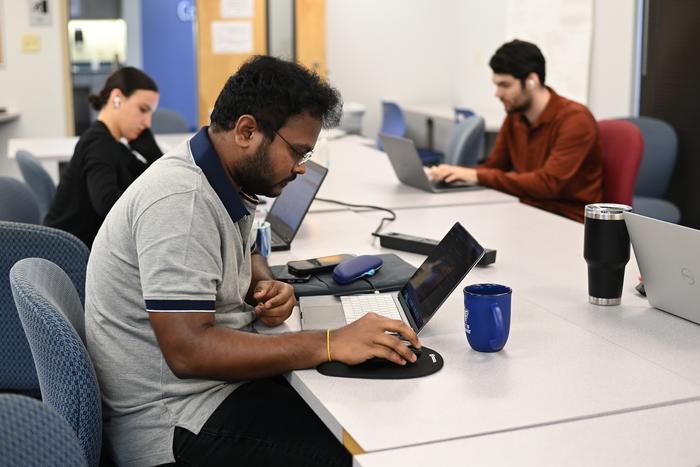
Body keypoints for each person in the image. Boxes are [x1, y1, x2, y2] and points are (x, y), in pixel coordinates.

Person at [85, 56, 421, 467]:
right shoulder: (182, 200)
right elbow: (189, 350)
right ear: (246, 131)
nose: (300, 168)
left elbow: (245, 250)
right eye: (297, 152)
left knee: (358, 409)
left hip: (205, 396)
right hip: (174, 423)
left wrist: (261, 281)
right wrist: (331, 342)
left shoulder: (220, 173)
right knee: (360, 451)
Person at [429, 39, 603, 222]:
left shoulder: (575, 120)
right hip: (527, 209)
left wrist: (475, 175)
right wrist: (455, 174)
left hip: (566, 220)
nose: (497, 94)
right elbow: (494, 167)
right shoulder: (515, 116)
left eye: (505, 85)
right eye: (496, 85)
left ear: (531, 81)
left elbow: (548, 184)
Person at [44, 67, 162, 247]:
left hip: (78, 249)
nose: (148, 123)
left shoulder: (112, 144)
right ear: (117, 98)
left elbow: (154, 183)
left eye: (151, 114)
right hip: (68, 256)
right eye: (143, 110)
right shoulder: (99, 144)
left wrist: (152, 153)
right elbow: (107, 204)